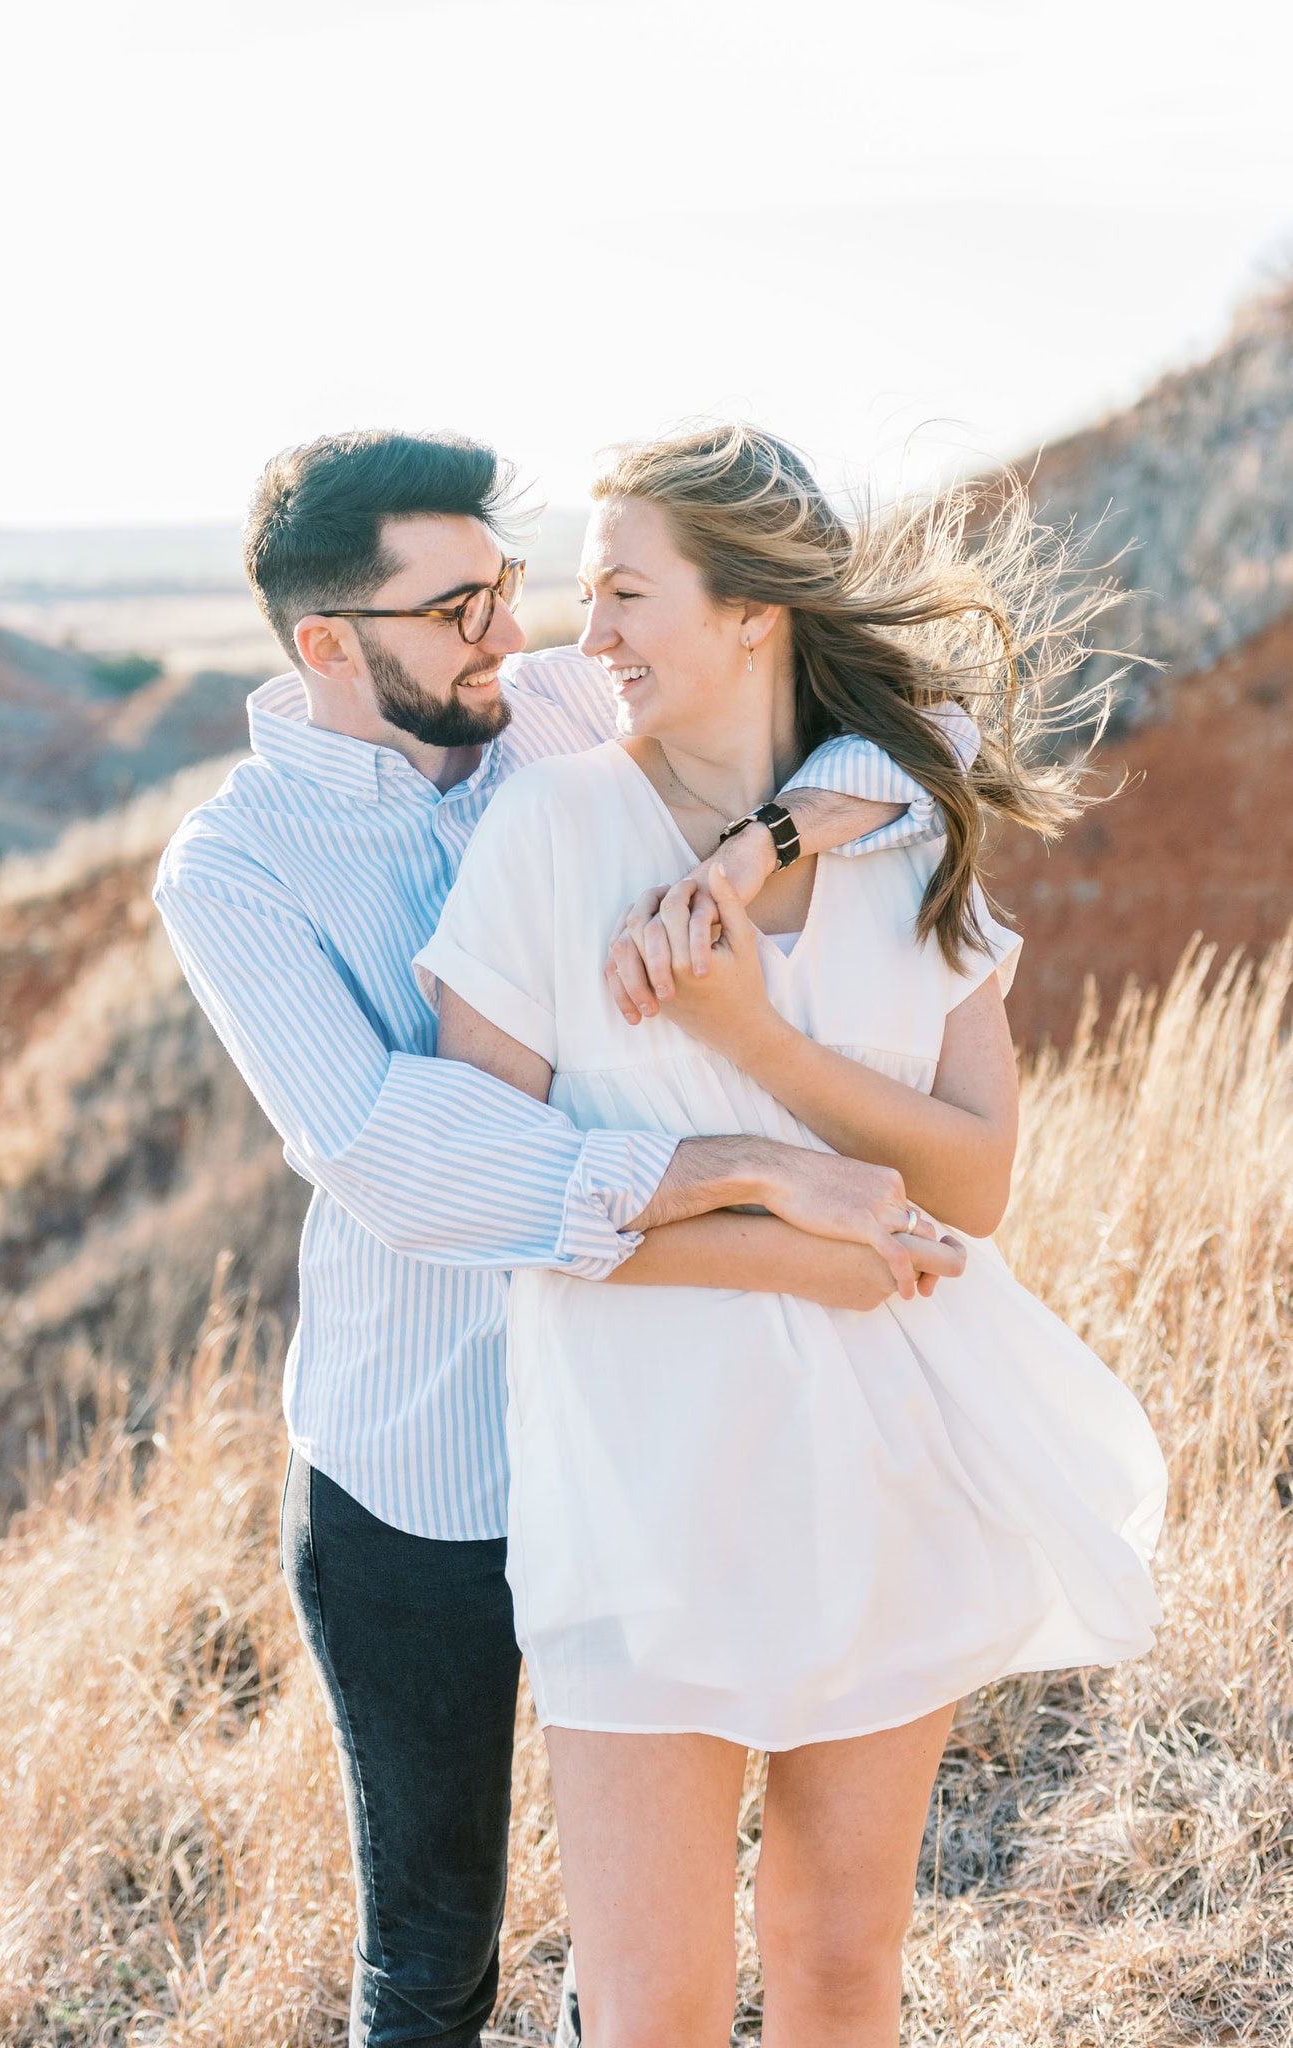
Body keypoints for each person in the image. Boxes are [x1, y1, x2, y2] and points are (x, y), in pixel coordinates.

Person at [152, 427, 967, 2048]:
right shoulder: (232, 869)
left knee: (646, 1956)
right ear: (329, 645)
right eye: (458, 609)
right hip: (427, 1462)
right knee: (436, 1961)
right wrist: (743, 1169)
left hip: (652, 1420)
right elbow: (390, 1152)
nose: (510, 636)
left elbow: (911, 733)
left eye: (509, 587)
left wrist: (759, 847)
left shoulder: (562, 714)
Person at [416, 423, 1169, 2048]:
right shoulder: (546, 836)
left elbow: (971, 1186)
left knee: (840, 1966)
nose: (587, 636)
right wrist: (787, 1234)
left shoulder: (903, 828)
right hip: (638, 1490)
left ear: (754, 609)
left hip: (887, 1480)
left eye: (625, 592)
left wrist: (757, 1043)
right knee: (651, 2012)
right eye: (587, 595)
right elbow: (488, 1194)